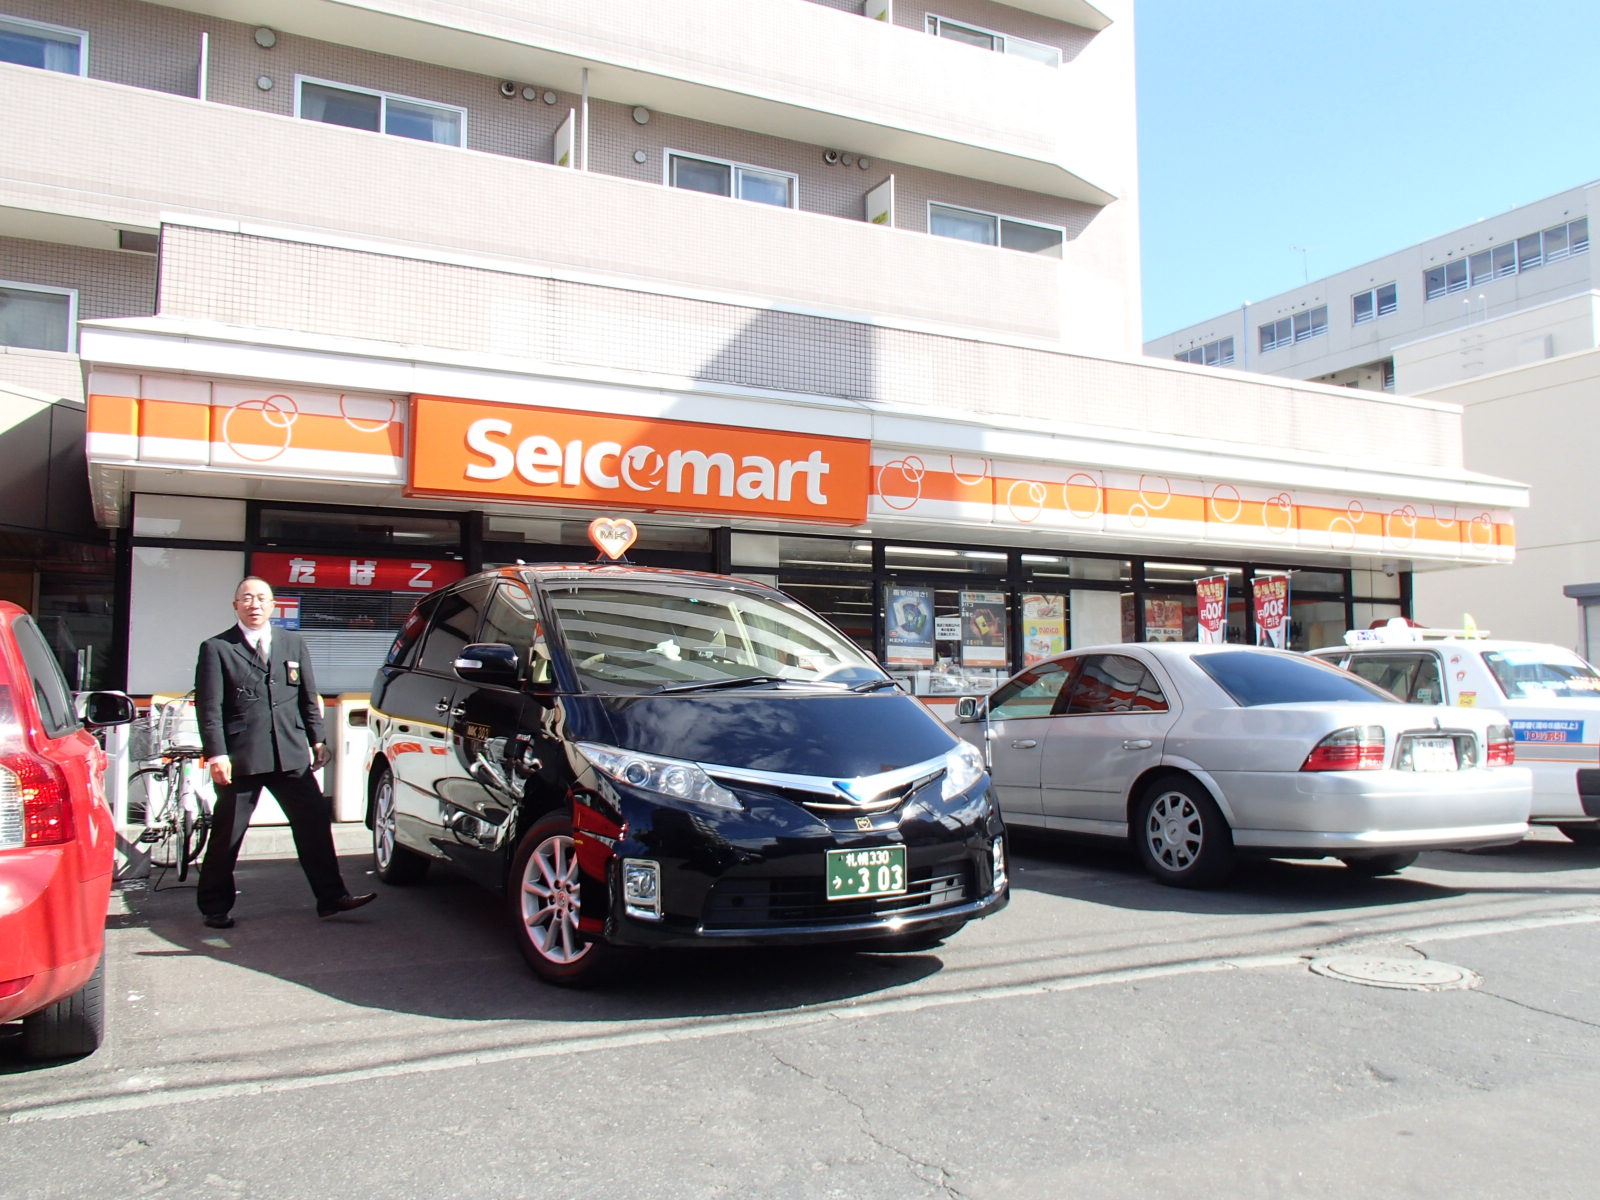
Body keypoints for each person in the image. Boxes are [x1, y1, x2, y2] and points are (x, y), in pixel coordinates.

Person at [193, 576, 375, 928]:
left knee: (314, 826)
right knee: (227, 833)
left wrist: (317, 738)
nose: (254, 604)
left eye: (261, 598)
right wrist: (216, 754)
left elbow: (308, 695)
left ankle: (331, 897)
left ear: (273, 605)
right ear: (236, 606)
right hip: (241, 758)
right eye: (246, 598)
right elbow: (209, 707)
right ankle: (214, 906)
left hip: (289, 755)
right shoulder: (217, 648)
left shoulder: (292, 643)